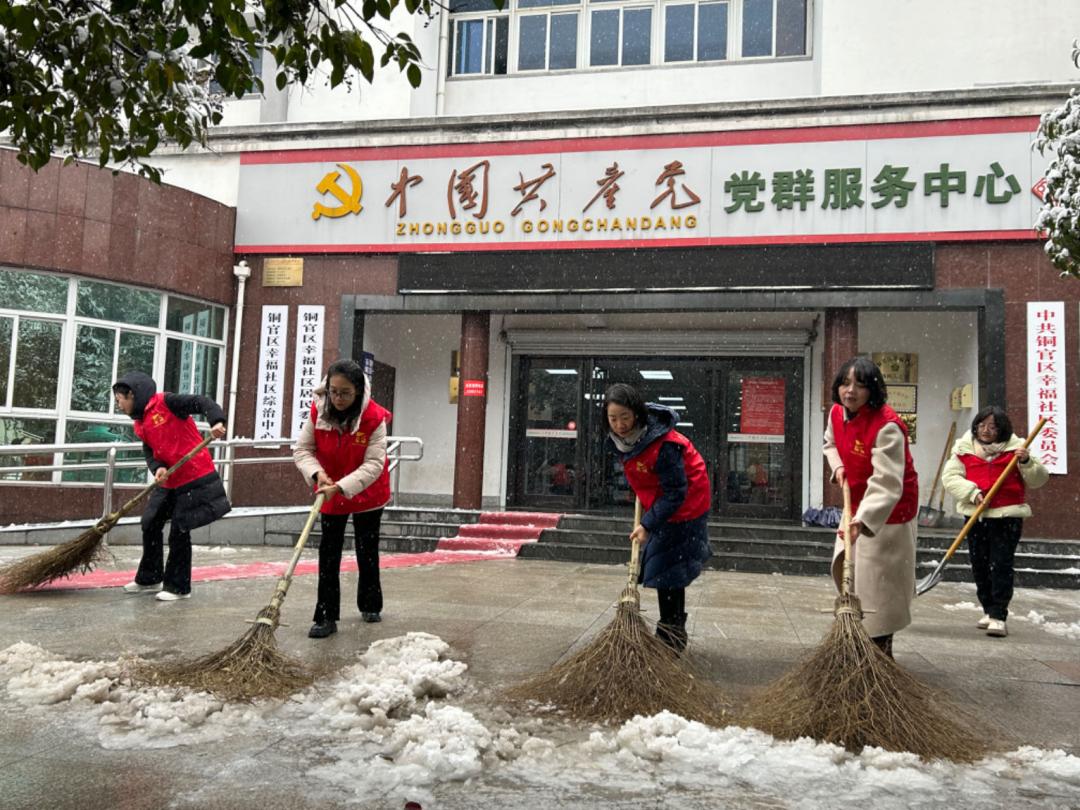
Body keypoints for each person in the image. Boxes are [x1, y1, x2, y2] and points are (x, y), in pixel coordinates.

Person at [603, 383, 712, 653]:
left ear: (637, 414)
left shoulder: (664, 445)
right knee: (664, 570)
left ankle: (672, 636)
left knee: (670, 571)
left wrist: (648, 524)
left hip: (686, 507)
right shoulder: (625, 442)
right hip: (662, 505)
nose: (619, 424)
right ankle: (670, 632)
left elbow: (676, 492)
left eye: (625, 417)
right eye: (613, 418)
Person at [823, 357, 919, 659]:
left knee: (881, 586)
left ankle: (880, 650)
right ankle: (860, 639)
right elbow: (830, 444)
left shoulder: (887, 426)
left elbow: (888, 483)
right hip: (856, 504)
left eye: (860, 386)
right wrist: (838, 468)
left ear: (873, 390)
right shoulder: (837, 414)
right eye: (844, 383)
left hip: (887, 514)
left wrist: (863, 521)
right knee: (853, 575)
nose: (849, 391)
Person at [293, 359, 392, 639]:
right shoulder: (319, 411)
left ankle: (370, 604)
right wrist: (317, 475)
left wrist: (343, 486)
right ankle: (325, 616)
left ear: (359, 391)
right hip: (329, 487)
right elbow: (303, 450)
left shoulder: (374, 418)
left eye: (345, 393)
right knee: (329, 552)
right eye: (333, 391)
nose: (337, 398)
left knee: (366, 548)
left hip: (367, 491)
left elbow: (373, 465)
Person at [112, 371, 230, 601]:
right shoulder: (140, 422)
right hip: (171, 479)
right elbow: (149, 449)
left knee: (180, 529)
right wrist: (157, 468)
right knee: (150, 522)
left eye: (120, 399)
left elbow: (201, 402)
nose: (118, 404)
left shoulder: (167, 402)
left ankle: (178, 587)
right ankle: (150, 578)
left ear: (133, 395)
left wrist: (216, 421)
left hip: (194, 475)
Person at [941, 407, 1048, 638]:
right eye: (981, 425)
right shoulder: (964, 448)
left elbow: (1039, 479)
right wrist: (972, 493)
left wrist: (1027, 461)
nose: (986, 431)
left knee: (1000, 564)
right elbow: (950, 478)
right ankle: (988, 609)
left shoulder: (1017, 448)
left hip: (1007, 516)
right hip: (976, 515)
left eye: (992, 426)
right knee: (979, 564)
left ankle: (999, 614)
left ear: (1002, 429)